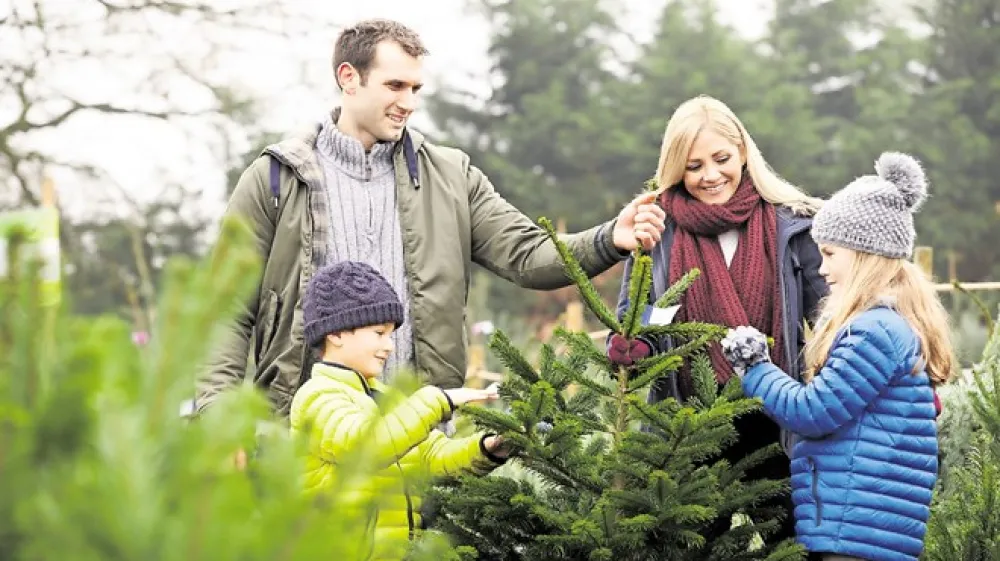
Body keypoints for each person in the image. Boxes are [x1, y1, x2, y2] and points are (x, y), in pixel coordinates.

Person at [196, 18, 666, 417]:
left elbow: (527, 255)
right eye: (395, 86)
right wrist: (215, 415)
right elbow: (225, 309)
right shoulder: (275, 178)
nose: (409, 103)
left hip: (417, 436)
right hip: (302, 439)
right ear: (348, 77)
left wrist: (610, 238)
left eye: (416, 88)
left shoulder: (452, 177)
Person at [609, 95, 828, 543]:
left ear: (743, 152)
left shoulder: (792, 224)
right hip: (689, 433)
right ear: (676, 168)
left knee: (790, 548)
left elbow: (830, 320)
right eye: (693, 166)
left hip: (779, 428)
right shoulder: (658, 229)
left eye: (721, 159)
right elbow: (644, 318)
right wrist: (633, 345)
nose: (710, 175)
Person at [720, 152, 954, 561]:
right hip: (862, 524)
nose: (822, 269)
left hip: (855, 528)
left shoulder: (874, 332)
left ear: (864, 254)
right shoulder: (892, 326)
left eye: (829, 254)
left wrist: (755, 366)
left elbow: (813, 412)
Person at [291, 260, 509, 561]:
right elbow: (366, 447)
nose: (390, 346)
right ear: (336, 334)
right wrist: (438, 399)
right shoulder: (317, 398)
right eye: (379, 333)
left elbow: (434, 458)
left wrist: (490, 447)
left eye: (390, 334)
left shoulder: (384, 398)